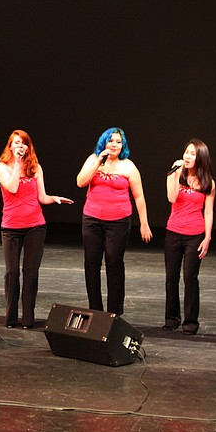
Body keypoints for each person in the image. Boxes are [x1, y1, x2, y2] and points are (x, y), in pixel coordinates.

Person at [0, 130, 73, 329]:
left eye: (23, 143)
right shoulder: (2, 167)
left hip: (35, 226)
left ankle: (28, 318)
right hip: (11, 228)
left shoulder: (36, 168)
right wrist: (18, 165)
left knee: (31, 272)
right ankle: (11, 317)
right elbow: (12, 188)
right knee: (12, 272)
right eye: (16, 143)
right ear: (10, 146)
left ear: (28, 147)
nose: (20, 146)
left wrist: (53, 198)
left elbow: (41, 197)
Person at [76, 127, 152, 315]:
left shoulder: (128, 166)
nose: (114, 145)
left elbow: (139, 197)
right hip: (92, 220)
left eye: (118, 142)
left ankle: (114, 313)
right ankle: (95, 310)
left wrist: (144, 223)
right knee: (91, 264)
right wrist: (98, 162)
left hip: (118, 222)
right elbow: (80, 182)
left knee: (114, 263)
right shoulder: (94, 160)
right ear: (104, 142)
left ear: (123, 145)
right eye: (111, 141)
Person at [164, 138, 215, 335]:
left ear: (200, 157)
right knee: (171, 277)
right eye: (186, 152)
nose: (187, 156)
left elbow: (208, 212)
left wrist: (207, 237)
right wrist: (175, 174)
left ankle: (191, 322)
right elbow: (171, 198)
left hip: (195, 234)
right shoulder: (174, 174)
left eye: (192, 153)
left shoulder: (208, 182)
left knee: (190, 278)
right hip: (173, 232)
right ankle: (171, 318)